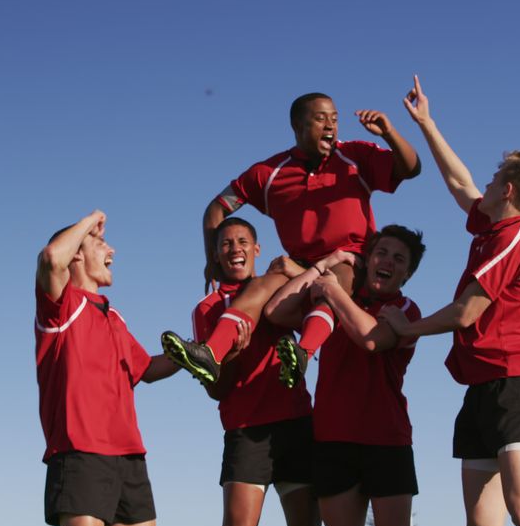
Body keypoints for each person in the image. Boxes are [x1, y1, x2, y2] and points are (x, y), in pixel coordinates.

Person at [379, 76, 520, 526]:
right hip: (481, 389)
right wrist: (427, 123)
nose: (484, 186)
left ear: (508, 190)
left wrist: (406, 328)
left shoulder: (518, 237)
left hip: (518, 387)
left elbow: (467, 310)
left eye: (493, 181)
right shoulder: (496, 228)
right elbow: (458, 183)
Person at [162, 92, 421, 388]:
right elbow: (217, 207)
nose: (330, 126)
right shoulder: (269, 174)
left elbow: (411, 168)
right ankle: (211, 353)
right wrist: (212, 261)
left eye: (334, 120)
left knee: (333, 282)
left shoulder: (354, 156)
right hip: (299, 266)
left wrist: (389, 133)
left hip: (351, 259)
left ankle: (303, 352)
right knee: (259, 286)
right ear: (298, 126)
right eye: (321, 119)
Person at [264, 225, 426, 526]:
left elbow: (370, 339)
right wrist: (327, 263)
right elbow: (276, 311)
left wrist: (334, 292)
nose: (388, 262)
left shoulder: (406, 310)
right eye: (381, 253)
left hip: (387, 439)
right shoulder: (329, 307)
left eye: (399, 259)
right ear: (366, 261)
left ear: (407, 273)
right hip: (333, 438)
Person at [35, 210, 179, 526]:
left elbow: (147, 368)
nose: (111, 250)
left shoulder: (114, 317)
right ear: (78, 254)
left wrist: (200, 354)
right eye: (101, 243)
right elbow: (52, 258)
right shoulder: (60, 306)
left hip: (129, 454)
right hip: (80, 449)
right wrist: (90, 220)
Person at [187, 217, 322, 526]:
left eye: (243, 241)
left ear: (257, 249)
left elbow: (321, 295)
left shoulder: (278, 288)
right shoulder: (208, 309)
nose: (236, 249)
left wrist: (294, 271)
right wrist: (231, 355)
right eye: (226, 244)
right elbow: (215, 390)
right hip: (247, 433)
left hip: (296, 424)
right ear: (215, 255)